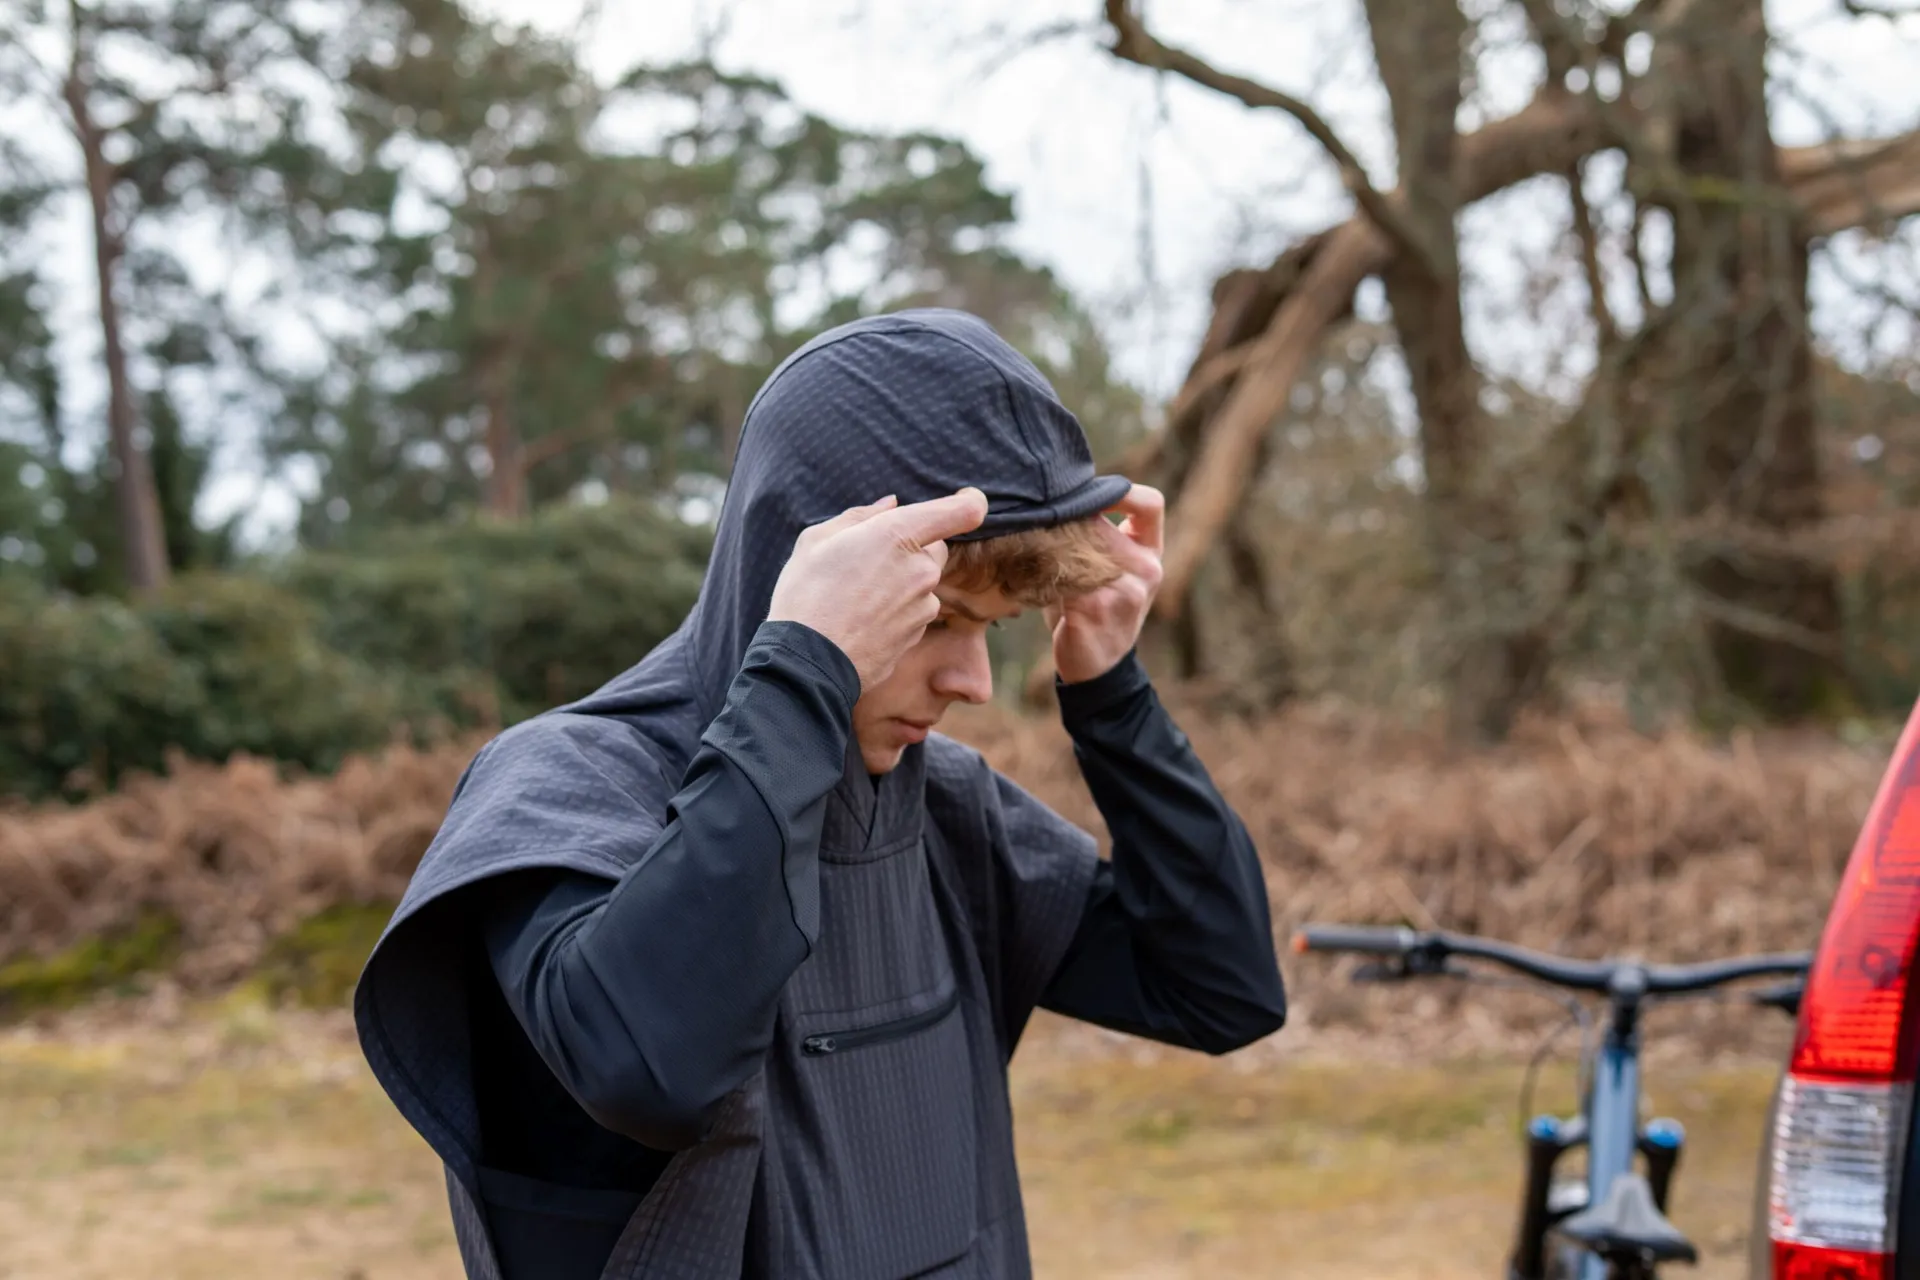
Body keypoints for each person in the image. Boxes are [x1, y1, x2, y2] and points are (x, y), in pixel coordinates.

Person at [354, 309, 1288, 1280]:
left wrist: (1112, 695)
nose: (973, 681)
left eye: (995, 627)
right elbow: (654, 1069)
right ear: (805, 579)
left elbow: (1218, 988)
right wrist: (802, 671)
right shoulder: (563, 787)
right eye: (938, 619)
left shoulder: (946, 810)